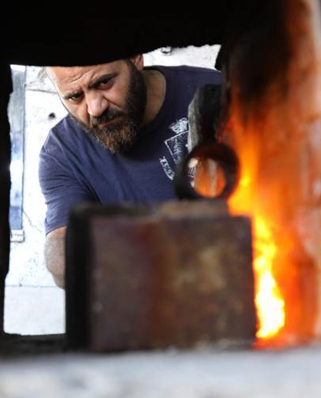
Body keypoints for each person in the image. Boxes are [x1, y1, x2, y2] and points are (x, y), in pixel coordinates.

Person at [38, 54, 221, 288]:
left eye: (104, 83)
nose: (95, 108)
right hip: (154, 309)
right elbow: (62, 252)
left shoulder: (221, 93)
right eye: (75, 96)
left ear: (135, 58)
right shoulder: (63, 152)